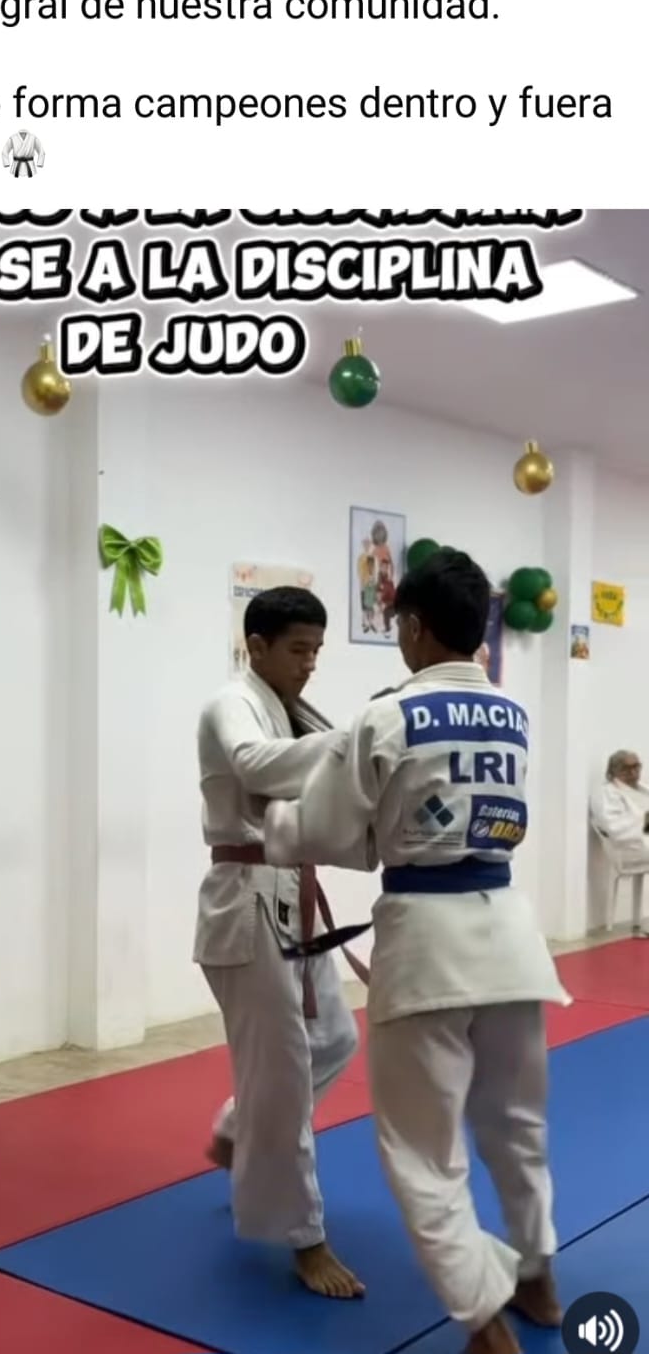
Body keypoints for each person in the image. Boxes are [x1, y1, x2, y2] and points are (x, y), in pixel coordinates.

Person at [265, 551, 569, 1354]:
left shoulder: (387, 714)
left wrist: (274, 826)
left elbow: (332, 830)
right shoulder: (512, 711)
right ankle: (538, 1273)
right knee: (516, 1125)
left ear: (415, 626)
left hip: (428, 944)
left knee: (421, 1152)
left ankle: (484, 1319)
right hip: (511, 938)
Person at [194, 586, 363, 1299]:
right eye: (298, 649)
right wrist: (361, 739)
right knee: (285, 1074)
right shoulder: (230, 704)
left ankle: (242, 1128)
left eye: (316, 650)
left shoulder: (299, 711)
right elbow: (258, 766)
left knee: (335, 1038)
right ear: (256, 645)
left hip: (294, 892)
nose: (309, 663)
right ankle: (304, 1237)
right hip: (247, 899)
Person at [590, 751, 649, 866]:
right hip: (630, 851)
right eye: (626, 769)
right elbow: (614, 828)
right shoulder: (606, 793)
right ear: (612, 771)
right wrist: (645, 820)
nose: (633, 773)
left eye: (636, 767)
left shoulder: (643, 789)